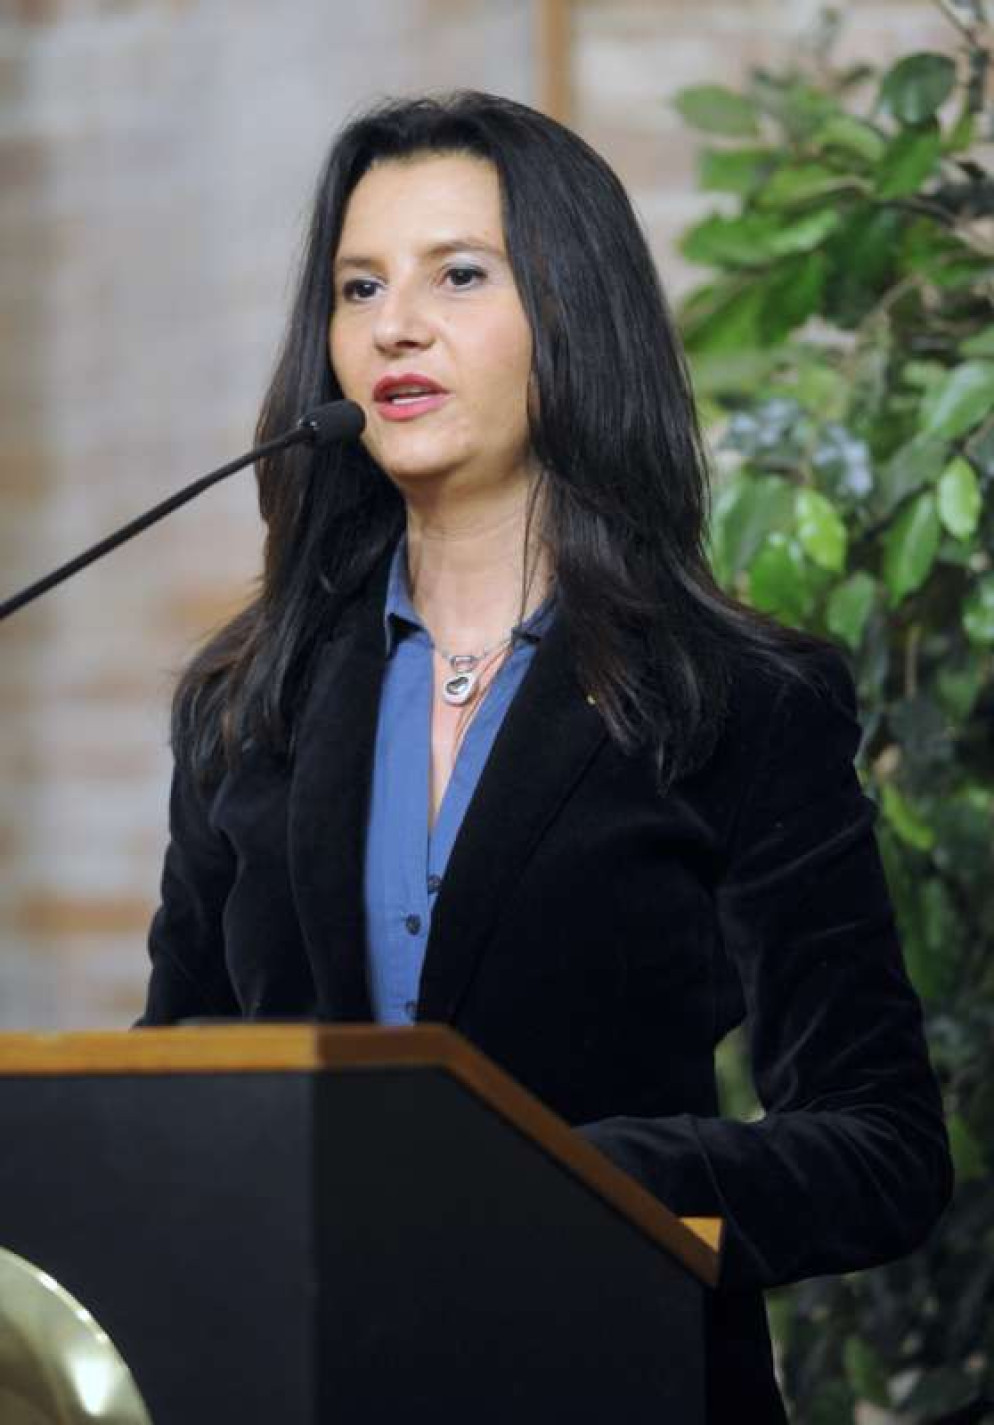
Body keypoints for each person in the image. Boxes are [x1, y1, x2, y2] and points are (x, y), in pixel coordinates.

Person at [138, 91, 952, 1419]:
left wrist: (573, 1180)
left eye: (459, 274)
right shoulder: (245, 704)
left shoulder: (739, 698)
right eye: (358, 286)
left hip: (617, 1379)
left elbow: (883, 1148)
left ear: (573, 313)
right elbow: (174, 1093)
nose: (395, 326)